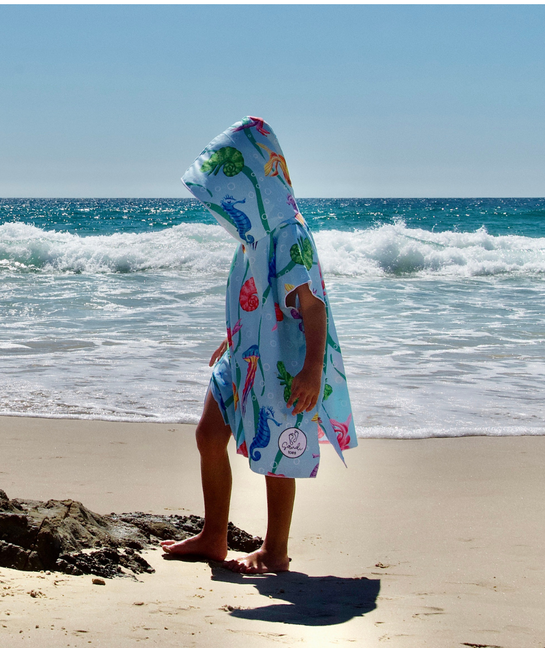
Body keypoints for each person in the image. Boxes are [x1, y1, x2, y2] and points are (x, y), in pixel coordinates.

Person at [162, 117, 356, 573]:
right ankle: (214, 537)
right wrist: (230, 340)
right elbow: (258, 301)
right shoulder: (251, 239)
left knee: (277, 456)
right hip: (243, 353)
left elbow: (314, 308)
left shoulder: (289, 233)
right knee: (209, 435)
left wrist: (311, 371)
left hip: (284, 362)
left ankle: (275, 550)